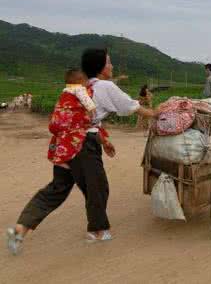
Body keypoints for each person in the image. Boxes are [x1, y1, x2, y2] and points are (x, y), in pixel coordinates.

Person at [6, 48, 155, 255]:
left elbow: (86, 119)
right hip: (83, 145)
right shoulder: (103, 85)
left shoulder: (78, 86)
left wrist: (104, 141)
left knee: (57, 189)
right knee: (97, 186)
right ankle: (98, 231)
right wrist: (156, 113)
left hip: (64, 144)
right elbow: (130, 107)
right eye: (109, 62)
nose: (111, 66)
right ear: (101, 67)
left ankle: (20, 228)